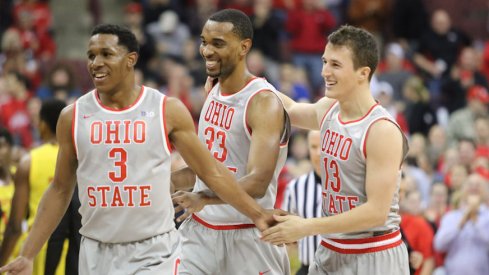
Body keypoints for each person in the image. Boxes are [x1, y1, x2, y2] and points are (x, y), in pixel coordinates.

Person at [0, 23, 275, 275]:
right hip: (96, 250)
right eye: (91, 55)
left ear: (130, 59)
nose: (96, 63)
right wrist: (27, 254)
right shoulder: (73, 116)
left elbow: (211, 172)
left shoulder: (165, 109)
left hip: (154, 252)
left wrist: (257, 214)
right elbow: (60, 189)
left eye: (107, 54)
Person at [260, 25, 410, 274]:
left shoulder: (381, 130)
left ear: (363, 73)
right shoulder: (329, 108)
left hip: (373, 252)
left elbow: (376, 212)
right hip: (331, 248)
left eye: (335, 65)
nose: (324, 72)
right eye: (324, 62)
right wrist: (247, 84)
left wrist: (306, 227)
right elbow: (291, 110)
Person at [171, 9, 290, 275]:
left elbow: (258, 182)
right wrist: (160, 183)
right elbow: (209, 167)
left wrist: (202, 196)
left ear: (244, 47)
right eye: (204, 41)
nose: (206, 50)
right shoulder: (212, 89)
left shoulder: (263, 102)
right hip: (201, 232)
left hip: (248, 235)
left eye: (218, 43)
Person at [0, 99, 80, 275]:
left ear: (43, 125)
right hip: (76, 250)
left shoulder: (29, 161)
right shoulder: (79, 157)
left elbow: (14, 224)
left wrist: (2, 260)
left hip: (38, 250)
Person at [281, 130, 322, 275]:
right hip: (307, 268)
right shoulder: (295, 187)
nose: (318, 153)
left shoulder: (347, 186)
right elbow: (286, 239)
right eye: (313, 147)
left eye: (322, 146)